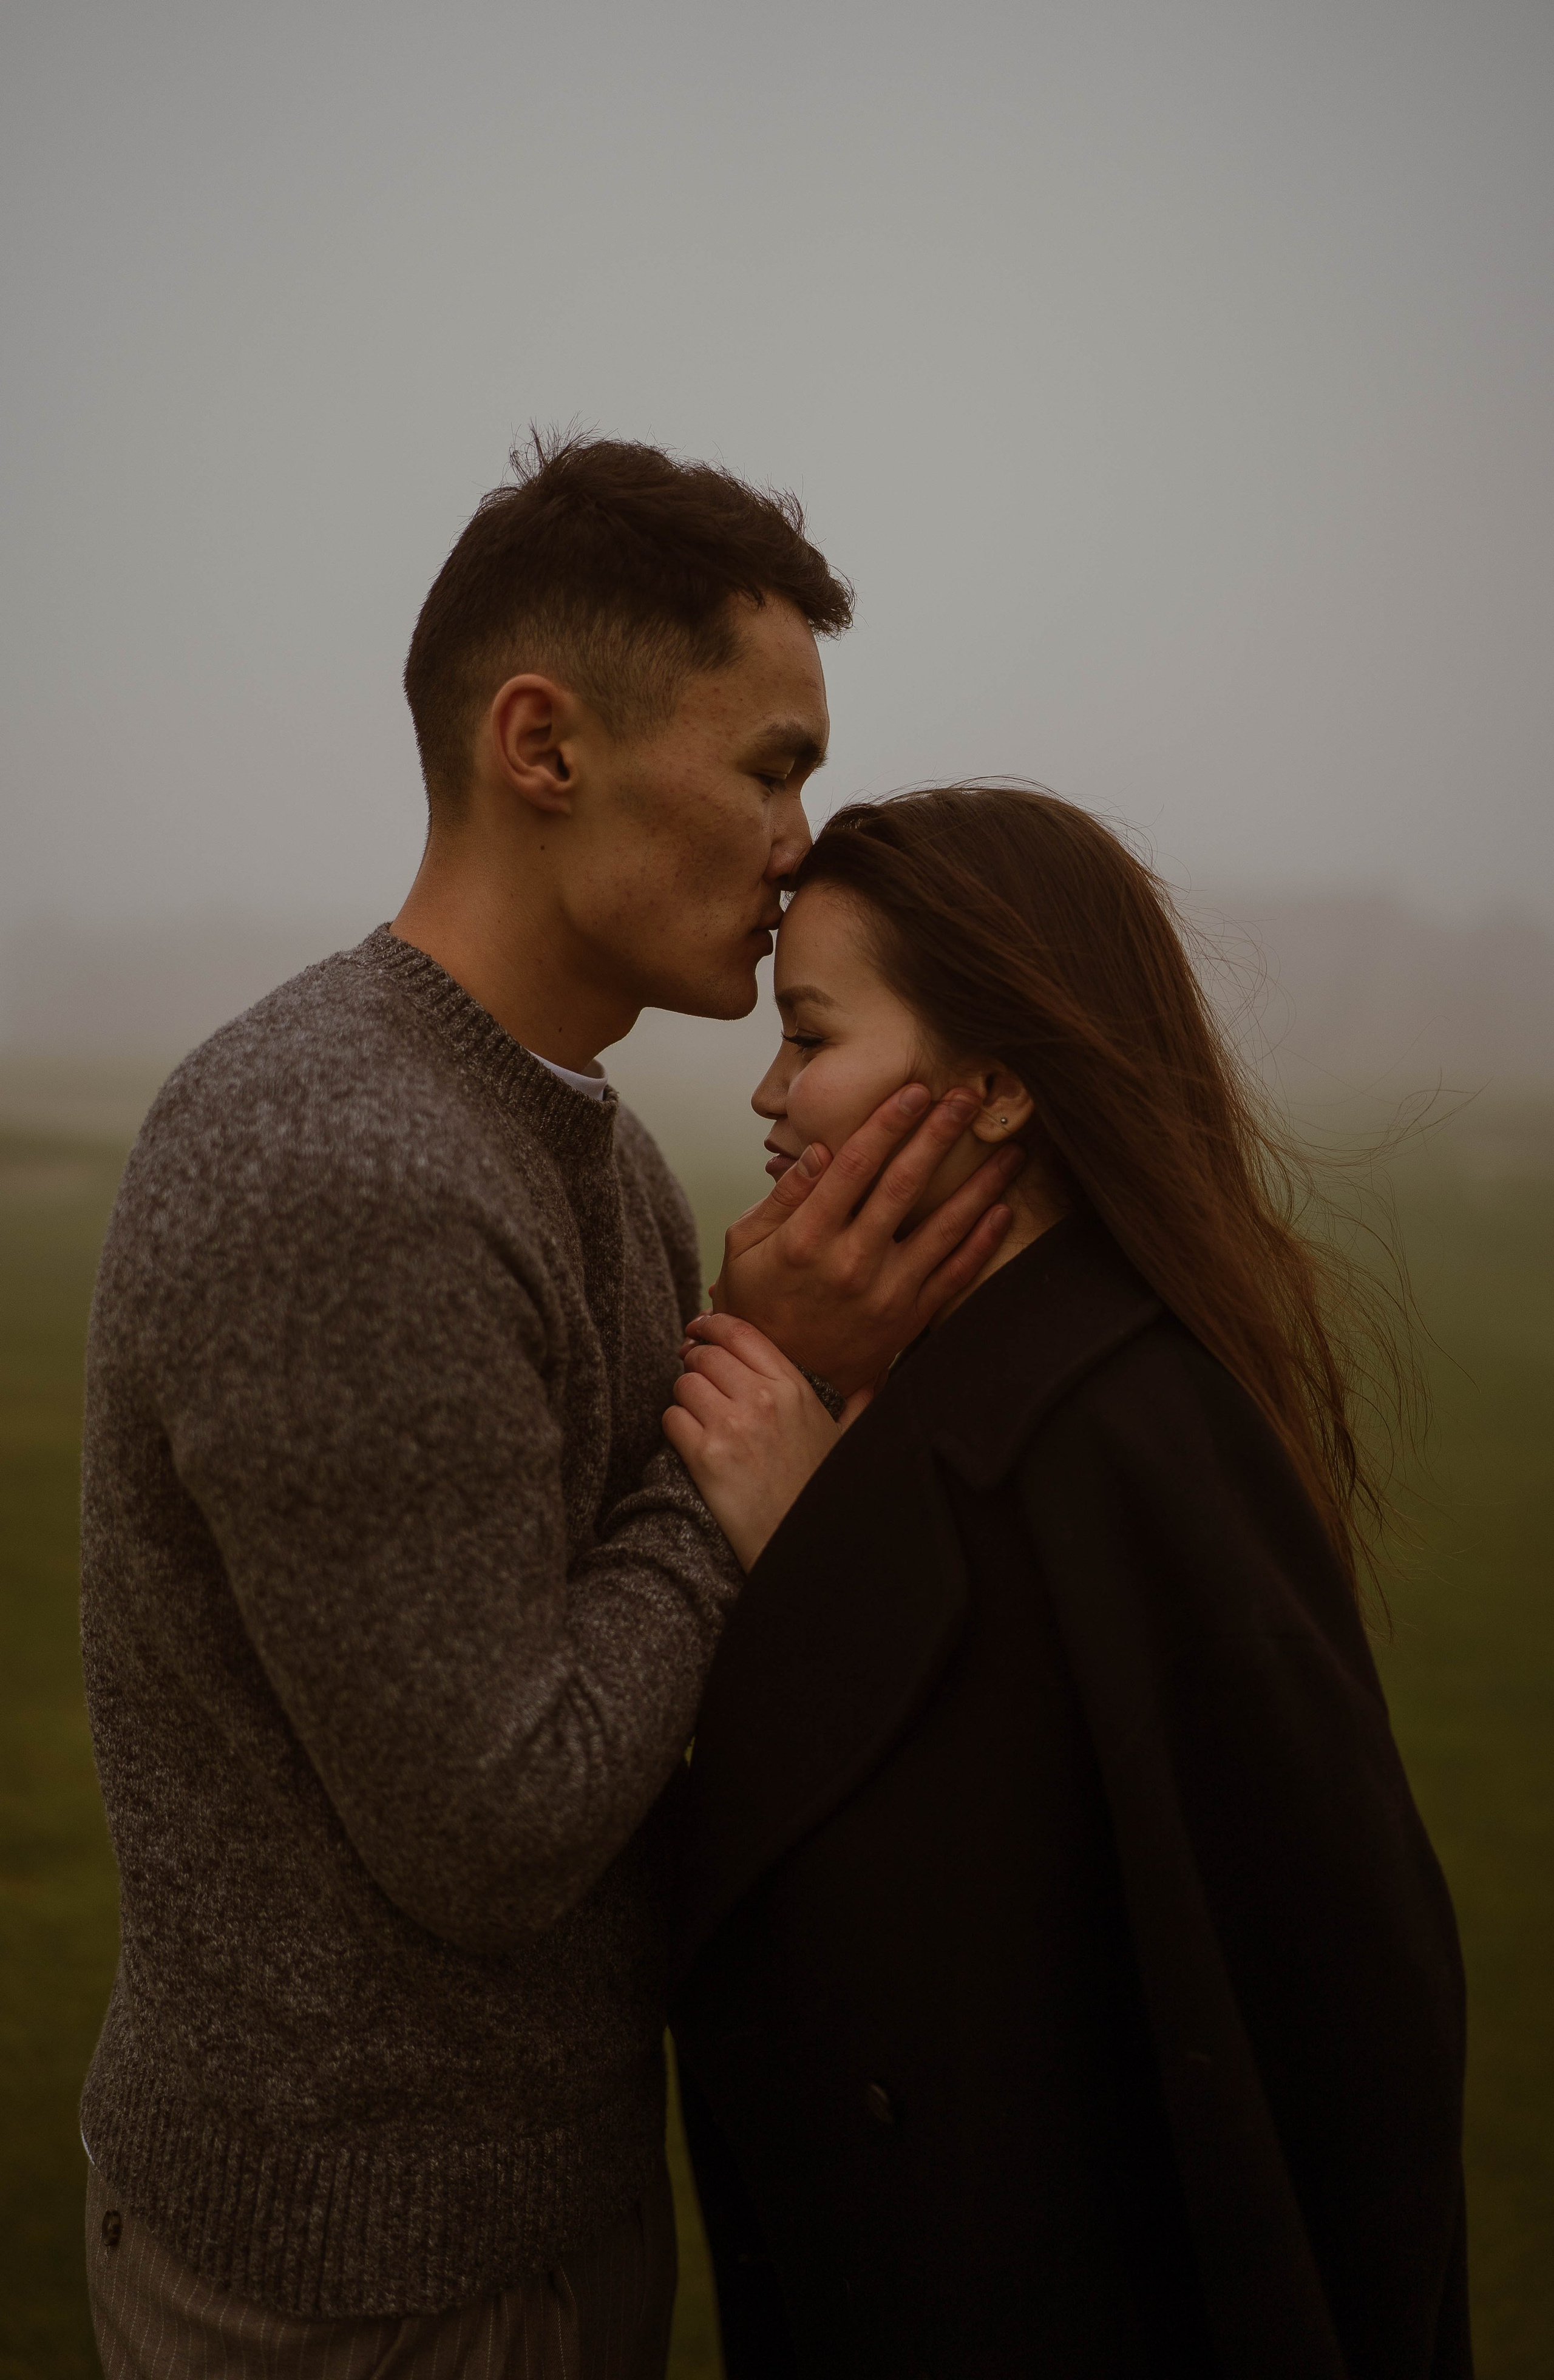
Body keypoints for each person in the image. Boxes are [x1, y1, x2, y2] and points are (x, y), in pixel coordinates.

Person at [76, 439, 1020, 2379]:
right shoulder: (336, 1164)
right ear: (542, 742)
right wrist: (758, 1421)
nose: (800, 842)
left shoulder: (586, 1146)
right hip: (353, 2280)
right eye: (772, 765)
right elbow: (494, 1824)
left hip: (547, 2203)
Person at [666, 784, 1471, 2380]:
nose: (769, 1092)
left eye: (811, 1036)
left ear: (994, 1087)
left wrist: (822, 1555)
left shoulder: (1137, 1435)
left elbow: (1293, 2022)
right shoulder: (964, 1397)